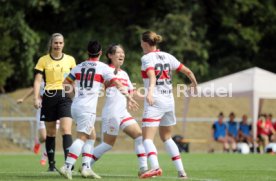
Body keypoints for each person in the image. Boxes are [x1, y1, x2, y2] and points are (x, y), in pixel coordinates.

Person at [58, 40, 139, 180]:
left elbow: (65, 83)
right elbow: (117, 83)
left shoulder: (79, 66)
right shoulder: (102, 67)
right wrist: (129, 97)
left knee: (92, 136)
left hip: (76, 106)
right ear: (101, 53)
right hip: (87, 108)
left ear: (88, 52)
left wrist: (74, 96)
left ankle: (86, 168)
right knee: (82, 137)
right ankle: (67, 166)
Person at [139, 31, 197, 179]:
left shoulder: (146, 58)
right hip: (169, 101)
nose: (140, 45)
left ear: (145, 43)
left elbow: (152, 75)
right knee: (167, 137)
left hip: (156, 101)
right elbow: (187, 71)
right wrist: (194, 84)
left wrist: (150, 93)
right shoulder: (168, 56)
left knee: (146, 139)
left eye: (141, 42)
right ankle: (182, 172)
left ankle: (155, 167)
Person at [89, 44, 148, 177]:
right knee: (108, 144)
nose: (122, 55)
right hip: (112, 113)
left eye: (123, 53)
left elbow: (131, 92)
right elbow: (101, 86)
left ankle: (143, 168)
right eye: (118, 53)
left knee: (139, 136)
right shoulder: (105, 70)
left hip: (123, 113)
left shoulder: (124, 73)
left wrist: (148, 97)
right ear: (110, 55)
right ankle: (86, 164)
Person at [33, 33, 76, 171]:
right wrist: (36, 98)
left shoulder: (70, 60)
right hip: (49, 97)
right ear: (51, 44)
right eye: (56, 43)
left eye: (60, 43)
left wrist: (77, 94)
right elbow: (38, 81)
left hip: (65, 96)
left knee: (65, 129)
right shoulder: (43, 60)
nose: (58, 45)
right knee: (50, 133)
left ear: (63, 44)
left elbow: (75, 79)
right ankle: (51, 165)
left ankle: (68, 164)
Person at [17, 80, 60, 166]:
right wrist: (23, 98)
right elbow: (34, 89)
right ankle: (38, 142)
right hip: (42, 110)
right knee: (44, 137)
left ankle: (44, 156)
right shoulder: (42, 79)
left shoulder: (60, 80)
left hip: (55, 110)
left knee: (51, 137)